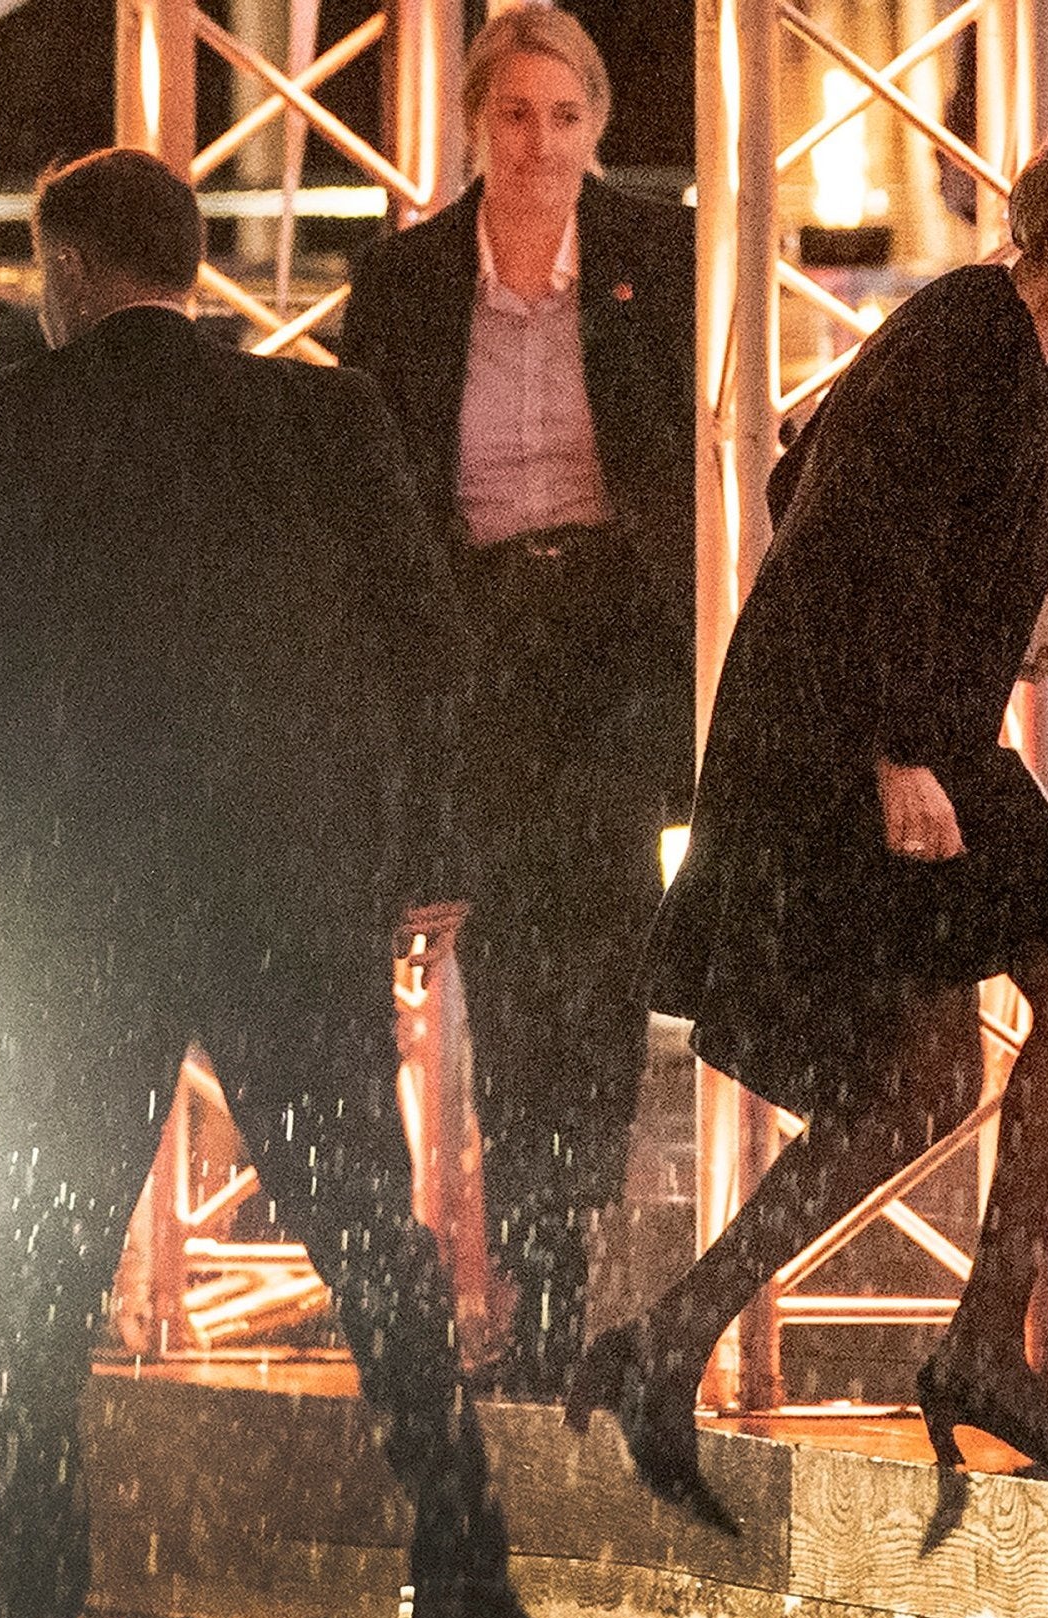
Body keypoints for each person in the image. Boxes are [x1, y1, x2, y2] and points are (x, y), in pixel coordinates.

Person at [0, 149, 552, 1618]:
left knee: (33, 1274)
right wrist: (422, 851)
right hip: (286, 892)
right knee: (371, 1239)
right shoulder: (319, 418)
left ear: (62, 273)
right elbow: (432, 647)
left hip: (80, 908)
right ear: (195, 267)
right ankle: (466, 1580)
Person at [569, 112, 1048, 1518]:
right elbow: (831, 536)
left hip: (906, 729)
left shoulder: (1016, 361)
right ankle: (973, 1347)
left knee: (931, 1072)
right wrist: (886, 749)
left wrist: (1008, 617)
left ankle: (677, 1336)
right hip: (857, 744)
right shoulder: (964, 343)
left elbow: (802, 481)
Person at [341, 6, 698, 1399]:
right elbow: (376, 489)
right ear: (474, 124)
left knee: (600, 947)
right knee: (502, 951)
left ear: (597, 124)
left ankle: (559, 1270)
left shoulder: (658, 253)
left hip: (612, 632)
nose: (540, 144)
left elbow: (702, 454)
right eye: (514, 116)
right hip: (478, 635)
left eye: (564, 117)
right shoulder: (409, 280)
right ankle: (524, 1275)